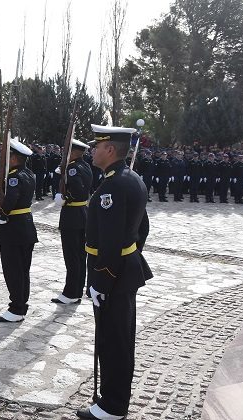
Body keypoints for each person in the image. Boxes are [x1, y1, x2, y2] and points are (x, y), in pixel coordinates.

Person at [76, 124, 152, 420]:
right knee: (119, 337)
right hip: (125, 269)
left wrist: (102, 280)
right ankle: (113, 399)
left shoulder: (112, 187)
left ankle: (113, 405)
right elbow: (141, 228)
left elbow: (109, 242)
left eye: (97, 146)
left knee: (113, 340)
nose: (93, 150)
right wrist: (131, 255)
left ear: (110, 149)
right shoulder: (130, 179)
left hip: (112, 274)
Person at [0, 138, 38, 323]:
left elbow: (11, 199)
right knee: (23, 269)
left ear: (14, 158)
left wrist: (2, 214)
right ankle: (21, 305)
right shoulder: (29, 174)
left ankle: (16, 308)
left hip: (14, 227)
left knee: (13, 270)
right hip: (26, 226)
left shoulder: (13, 177)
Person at [52, 139, 93, 305]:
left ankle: (70, 292)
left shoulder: (73, 167)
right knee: (80, 256)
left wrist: (64, 198)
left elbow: (76, 188)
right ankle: (76, 291)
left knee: (71, 256)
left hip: (72, 214)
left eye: (68, 150)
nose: (65, 153)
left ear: (75, 152)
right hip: (83, 213)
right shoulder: (86, 165)